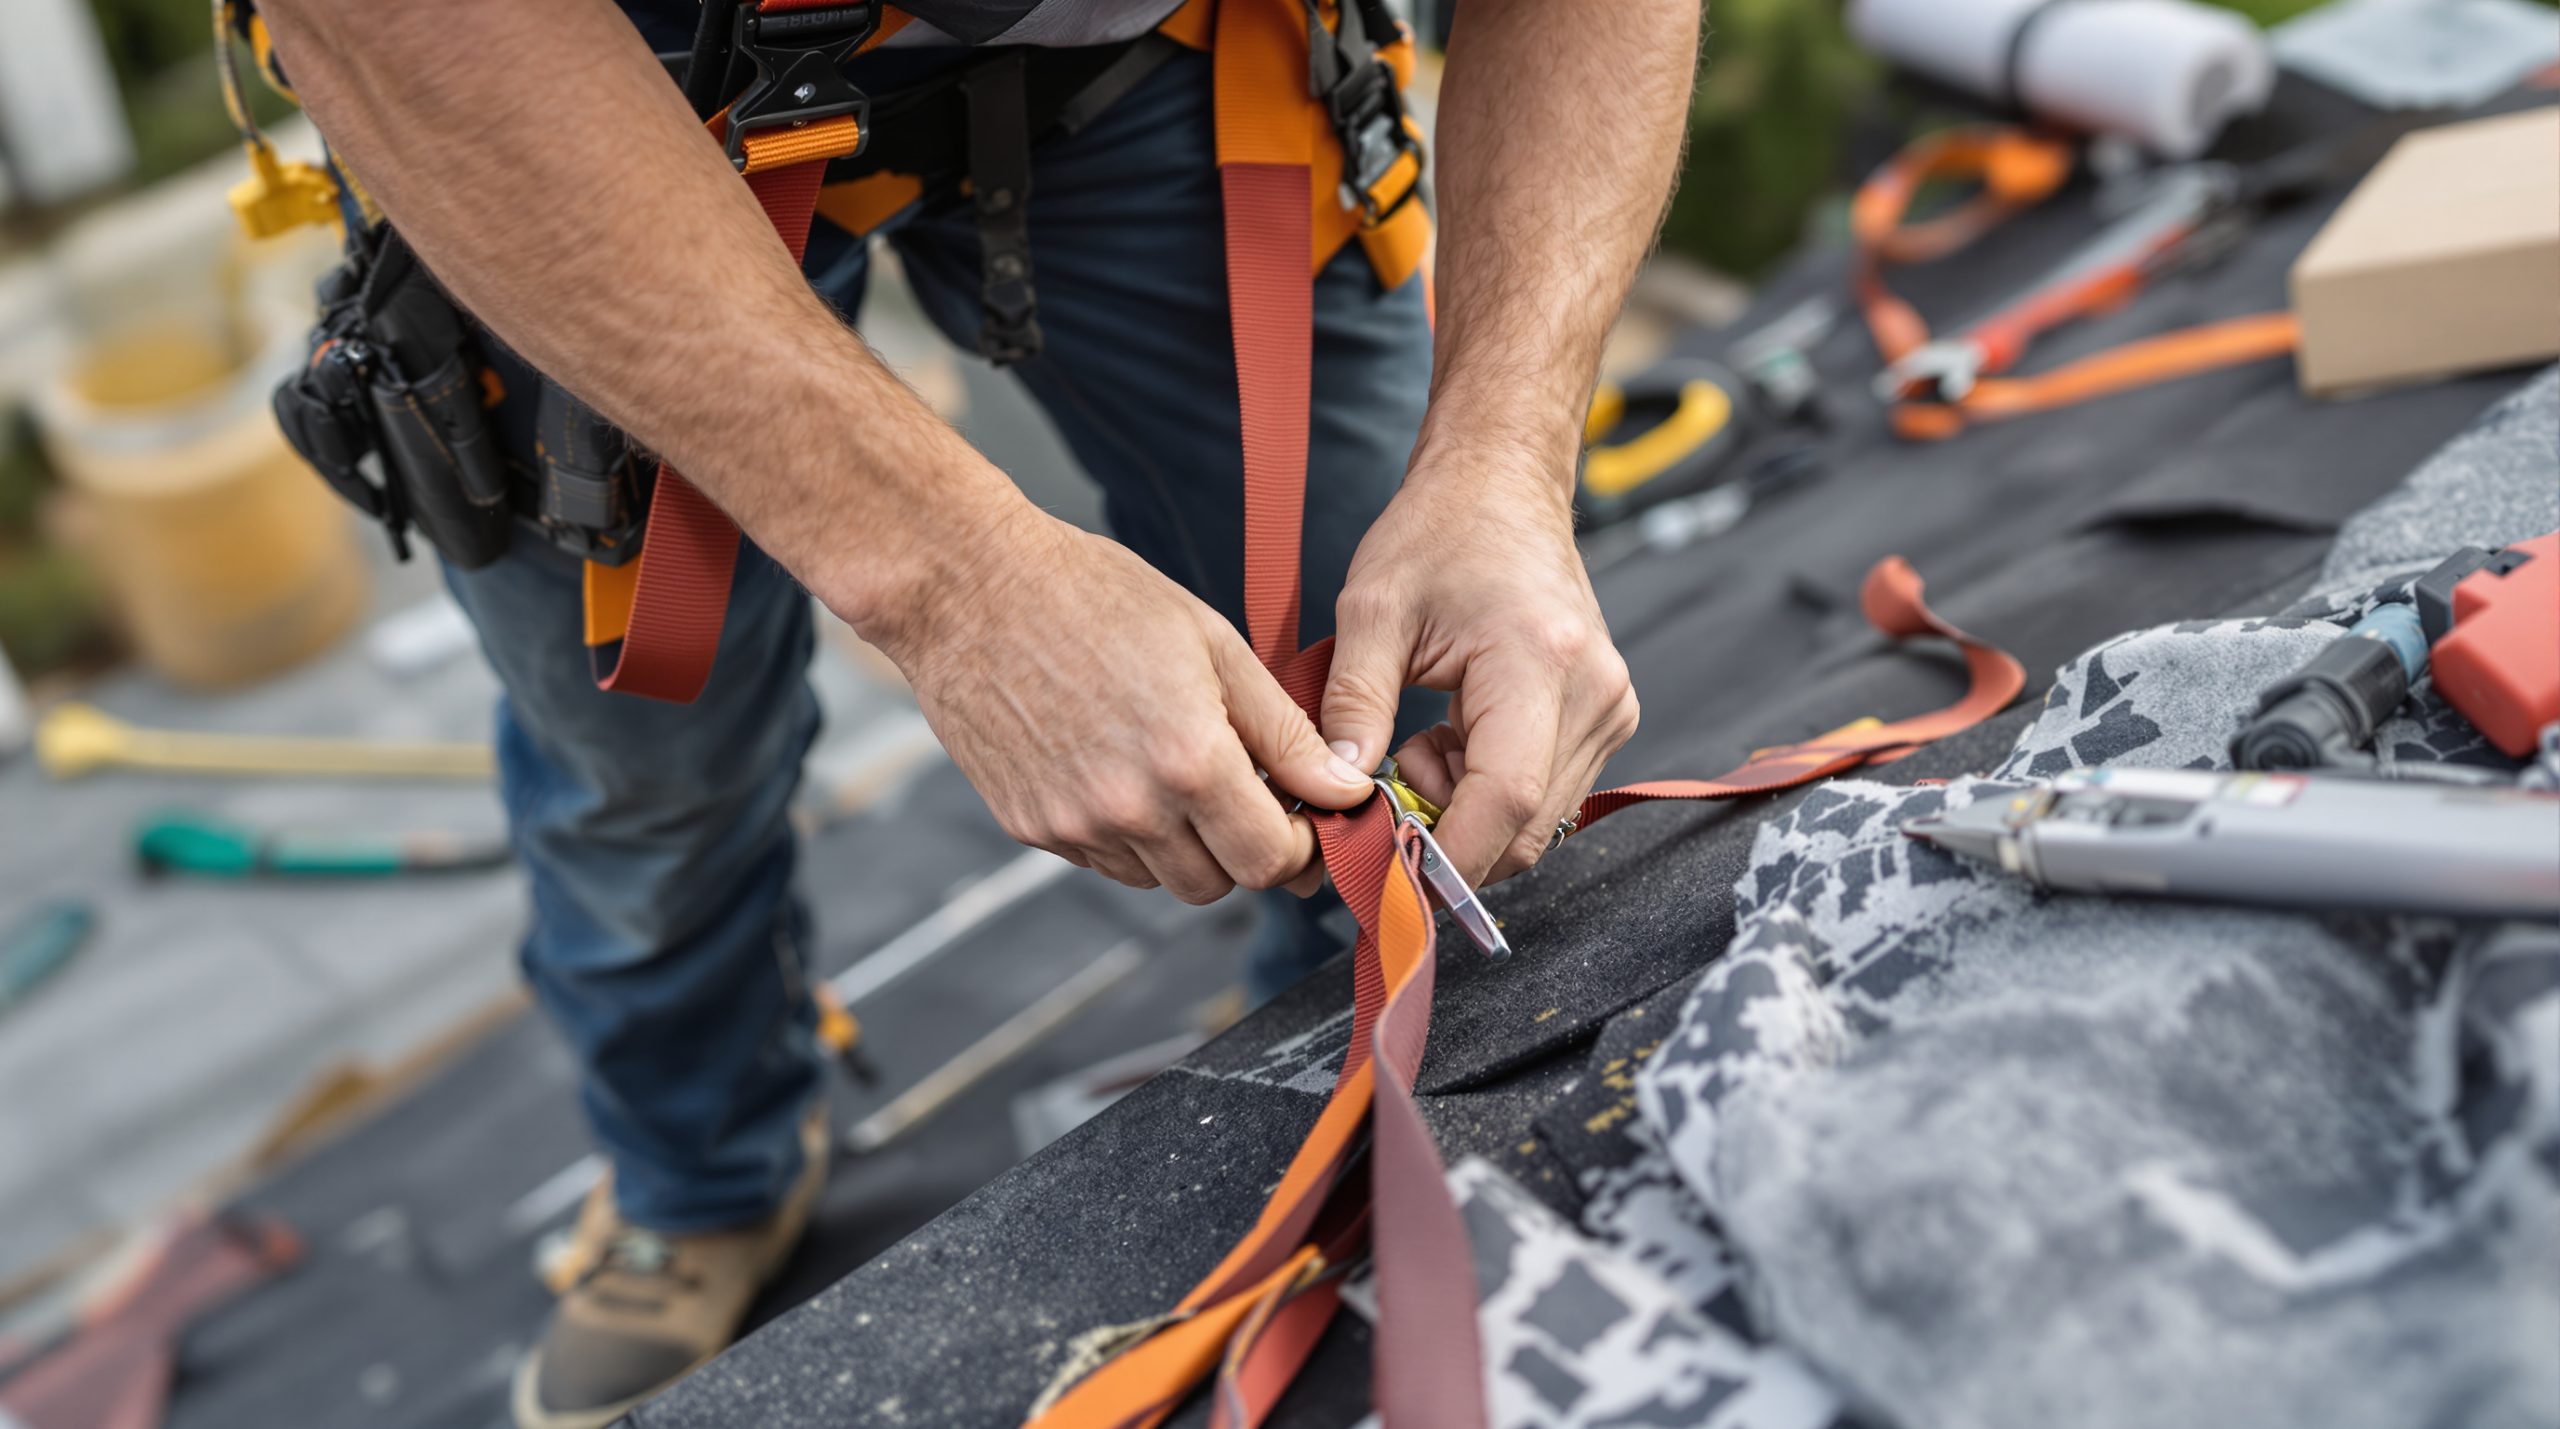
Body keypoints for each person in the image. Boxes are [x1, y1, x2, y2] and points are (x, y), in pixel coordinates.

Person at [249, 0, 1694, 1423]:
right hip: (596, 100)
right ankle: (703, 1177)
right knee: (645, 775)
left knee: (1361, 632)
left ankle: (1345, 1061)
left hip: (1164, 52)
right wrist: (959, 590)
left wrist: (1507, 448)